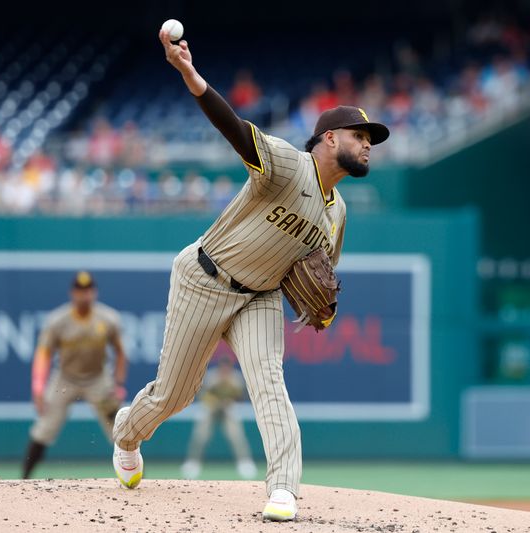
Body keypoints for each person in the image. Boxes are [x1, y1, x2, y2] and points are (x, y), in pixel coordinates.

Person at [112, 28, 389, 522]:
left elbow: (320, 274)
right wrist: (189, 74)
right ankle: (128, 432)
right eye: (359, 136)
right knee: (174, 394)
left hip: (258, 297)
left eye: (370, 141)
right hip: (204, 277)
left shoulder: (339, 211)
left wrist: (321, 308)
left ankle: (283, 490)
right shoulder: (287, 163)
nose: (367, 146)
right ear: (329, 138)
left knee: (268, 381)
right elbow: (235, 130)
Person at [22, 271, 128, 479]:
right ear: (72, 293)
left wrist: (118, 384)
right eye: (80, 291)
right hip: (65, 378)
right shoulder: (58, 321)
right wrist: (38, 387)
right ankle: (24, 478)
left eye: (88, 291)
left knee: (120, 432)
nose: (84, 295)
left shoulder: (108, 319)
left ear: (94, 293)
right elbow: (43, 354)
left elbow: (121, 353)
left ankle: (138, 477)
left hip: (98, 379)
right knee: (44, 429)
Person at [180, 357, 257, 480]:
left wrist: (229, 401)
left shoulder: (236, 379)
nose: (225, 370)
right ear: (220, 368)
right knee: (201, 435)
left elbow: (241, 397)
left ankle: (245, 463)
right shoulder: (212, 377)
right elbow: (202, 395)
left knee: (236, 436)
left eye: (227, 368)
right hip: (211, 408)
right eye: (223, 368)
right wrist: (215, 401)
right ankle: (192, 463)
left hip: (227, 409)